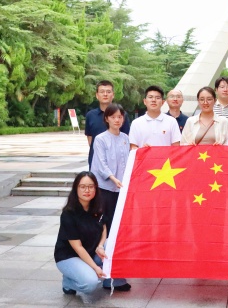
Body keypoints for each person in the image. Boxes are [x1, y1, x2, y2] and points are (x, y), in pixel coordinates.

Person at [90, 103, 131, 291]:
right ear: (106, 118)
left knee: (118, 228)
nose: (117, 120)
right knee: (104, 226)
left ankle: (116, 274)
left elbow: (130, 160)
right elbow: (100, 164)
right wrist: (114, 179)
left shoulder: (125, 138)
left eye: (120, 117)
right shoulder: (100, 139)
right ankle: (103, 271)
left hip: (121, 190)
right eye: (113, 117)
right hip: (105, 188)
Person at [54, 171, 107, 295]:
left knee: (111, 246)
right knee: (90, 283)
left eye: (91, 186)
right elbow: (78, 247)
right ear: (76, 189)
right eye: (82, 187)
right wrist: (95, 268)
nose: (87, 190)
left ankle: (86, 271)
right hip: (69, 256)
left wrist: (100, 245)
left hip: (91, 251)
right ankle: (68, 282)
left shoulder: (97, 207)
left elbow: (104, 228)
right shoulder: (68, 214)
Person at [85, 80, 130, 168]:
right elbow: (90, 140)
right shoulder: (90, 115)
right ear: (97, 95)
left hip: (117, 163)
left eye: (108, 92)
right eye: (102, 92)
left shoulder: (122, 115)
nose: (105, 94)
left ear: (113, 95)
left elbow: (126, 139)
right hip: (96, 161)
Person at [129, 85, 181, 150]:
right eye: (150, 97)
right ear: (145, 101)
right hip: (144, 157)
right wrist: (142, 150)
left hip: (165, 157)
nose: (153, 100)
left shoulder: (172, 121)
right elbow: (132, 147)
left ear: (162, 102)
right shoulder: (136, 123)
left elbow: (176, 147)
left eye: (157, 98)